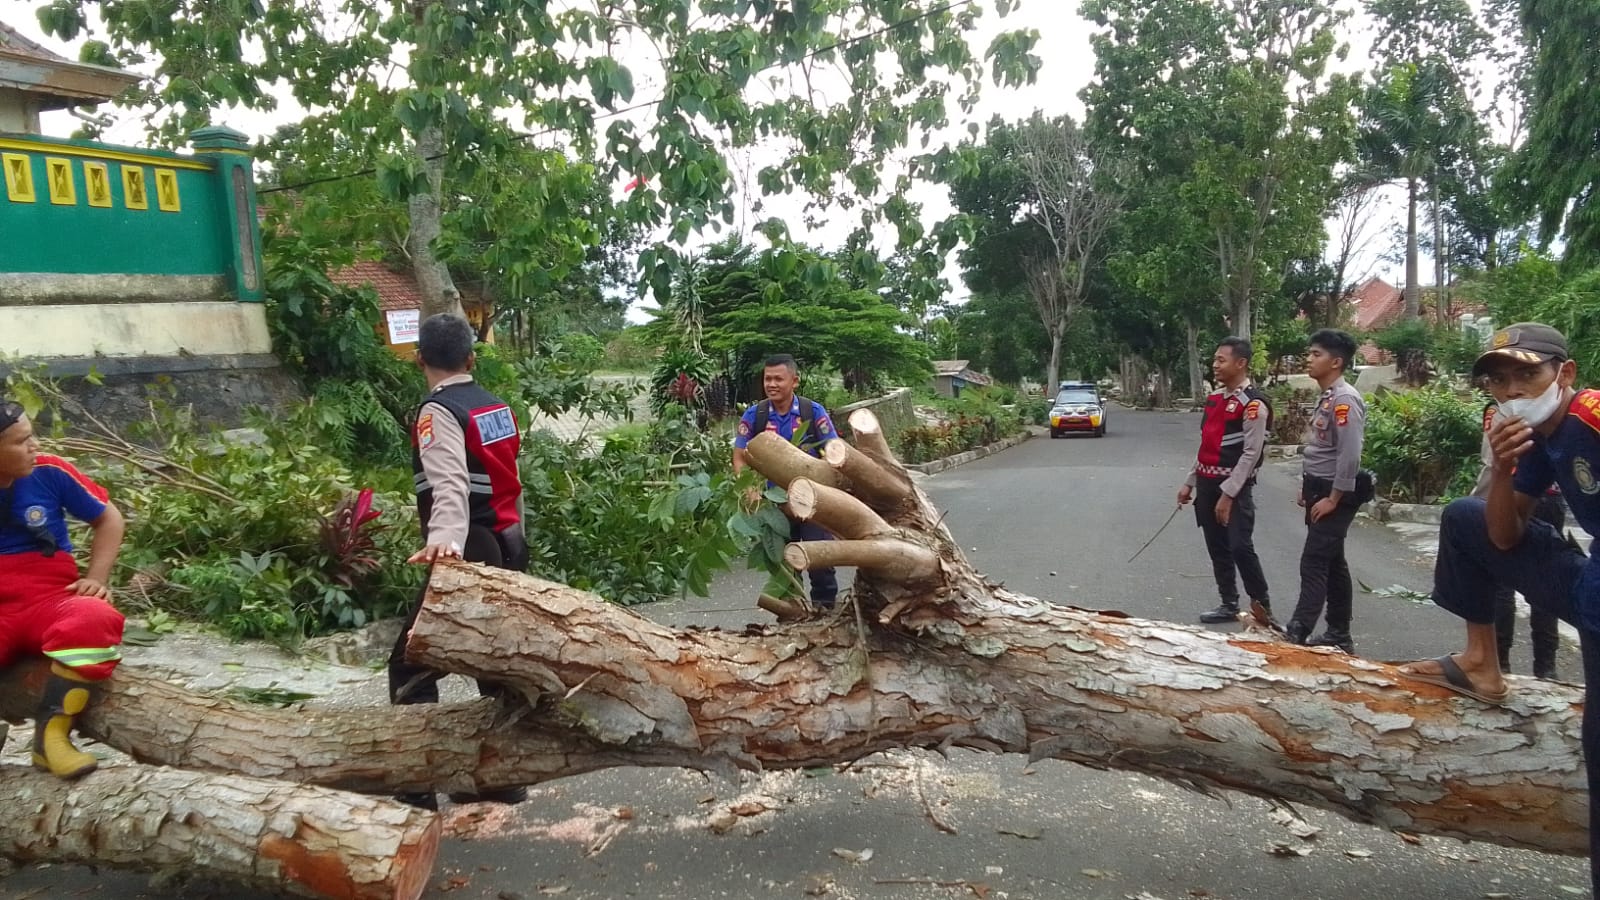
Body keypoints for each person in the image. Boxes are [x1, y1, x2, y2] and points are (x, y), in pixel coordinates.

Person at [1395, 323, 1600, 895]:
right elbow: (1504, 538)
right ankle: (1483, 663)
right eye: (1499, 380)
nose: (1512, 392)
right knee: (1464, 516)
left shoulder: (1590, 413)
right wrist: (1506, 471)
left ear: (1566, 373)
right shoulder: (1534, 442)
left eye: (1527, 375)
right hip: (1590, 589)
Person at [390, 313, 528, 808]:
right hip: (507, 544)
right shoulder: (495, 406)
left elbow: (449, 482)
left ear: (420, 358)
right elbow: (509, 480)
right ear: (471, 358)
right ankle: (499, 778)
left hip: (466, 549)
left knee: (411, 664)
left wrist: (444, 542)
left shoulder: (438, 412)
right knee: (492, 661)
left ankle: (416, 786)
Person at [0, 399, 127, 779]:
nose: (34, 446)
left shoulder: (50, 471)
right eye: (22, 441)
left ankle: (52, 737)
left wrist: (97, 579)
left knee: (95, 616)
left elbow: (109, 517)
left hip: (51, 596)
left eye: (32, 436)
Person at [731, 354, 839, 611]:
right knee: (783, 567)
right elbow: (739, 457)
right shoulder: (754, 416)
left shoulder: (812, 412)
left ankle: (827, 619)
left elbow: (834, 452)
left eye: (778, 378)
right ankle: (793, 620)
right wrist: (749, 489)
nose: (771, 384)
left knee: (820, 563)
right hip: (774, 507)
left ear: (795, 381)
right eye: (767, 378)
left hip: (813, 504)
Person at [1178, 337, 1273, 625]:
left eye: (1221, 360)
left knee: (1240, 547)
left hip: (1235, 489)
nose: (1215, 365)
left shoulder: (1253, 404)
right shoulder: (1215, 400)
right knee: (1217, 547)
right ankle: (1228, 603)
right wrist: (1189, 482)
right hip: (1206, 485)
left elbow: (1251, 453)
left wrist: (1229, 493)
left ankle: (1262, 610)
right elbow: (1206, 445)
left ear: (1241, 363)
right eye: (1215, 359)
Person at [1285, 329, 1369, 653]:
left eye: (1316, 354)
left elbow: (1350, 454)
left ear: (1336, 362)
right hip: (1319, 488)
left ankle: (1298, 630)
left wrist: (1334, 498)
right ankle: (1339, 633)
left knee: (1314, 560)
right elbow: (1322, 450)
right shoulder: (1329, 396)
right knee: (1333, 562)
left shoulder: (1345, 399)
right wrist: (1308, 487)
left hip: (1336, 493)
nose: (1309, 358)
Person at [1474, 401, 1564, 680]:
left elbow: (1492, 463)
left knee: (1502, 581)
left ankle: (1500, 663)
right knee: (1547, 579)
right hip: (1551, 498)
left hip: (1512, 496)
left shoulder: (1500, 410)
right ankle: (1546, 669)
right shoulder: (1556, 407)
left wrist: (1477, 500)